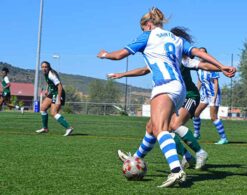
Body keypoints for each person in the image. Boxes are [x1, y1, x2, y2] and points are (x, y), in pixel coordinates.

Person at [97, 8, 234, 187]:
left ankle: (177, 170)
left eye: (143, 28)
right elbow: (199, 54)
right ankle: (136, 158)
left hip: (164, 86)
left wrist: (105, 55)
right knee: (152, 126)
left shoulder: (148, 36)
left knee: (162, 129)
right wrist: (222, 66)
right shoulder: (177, 39)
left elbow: (120, 54)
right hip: (180, 89)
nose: (143, 32)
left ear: (148, 24)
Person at [193, 47, 229, 144]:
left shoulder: (212, 67)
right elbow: (200, 81)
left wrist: (214, 98)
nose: (201, 55)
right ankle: (197, 134)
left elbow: (216, 83)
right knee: (195, 113)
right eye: (200, 53)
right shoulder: (198, 67)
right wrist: (196, 93)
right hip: (204, 95)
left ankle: (224, 138)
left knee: (213, 117)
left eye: (204, 53)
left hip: (213, 94)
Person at [35, 61, 73, 136]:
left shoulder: (51, 74)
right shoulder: (46, 74)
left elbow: (59, 86)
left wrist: (58, 98)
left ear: (49, 67)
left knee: (53, 113)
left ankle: (69, 128)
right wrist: (47, 89)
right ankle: (45, 128)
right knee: (42, 108)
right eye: (42, 67)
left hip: (58, 93)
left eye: (45, 67)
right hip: (53, 93)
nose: (44, 68)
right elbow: (50, 83)